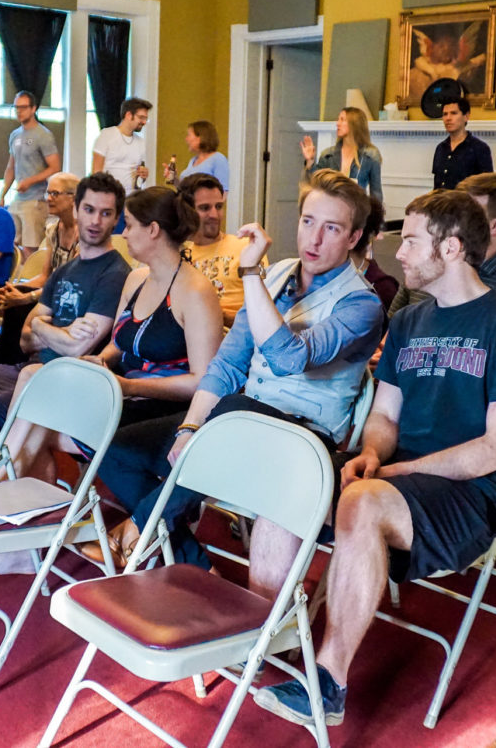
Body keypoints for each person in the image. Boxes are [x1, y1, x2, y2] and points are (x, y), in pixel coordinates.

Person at [253, 189, 496, 727]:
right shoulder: (411, 320)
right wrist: (370, 453)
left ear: (453, 248)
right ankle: (263, 645)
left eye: (412, 241)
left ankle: (329, 684)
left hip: (468, 498)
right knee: (292, 480)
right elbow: (385, 416)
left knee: (363, 501)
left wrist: (395, 472)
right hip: (395, 481)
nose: (400, 254)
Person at [86, 169, 385, 571]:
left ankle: (137, 531)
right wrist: (189, 428)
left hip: (302, 438)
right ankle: (192, 562)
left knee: (233, 407)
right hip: (232, 424)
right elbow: (227, 364)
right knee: (115, 446)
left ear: (353, 238)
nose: (314, 239)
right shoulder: (278, 273)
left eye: (332, 228)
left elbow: (288, 359)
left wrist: (250, 274)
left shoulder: (362, 305)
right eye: (308, 222)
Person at [0, 185, 223, 488]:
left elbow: (202, 381)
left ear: (153, 230)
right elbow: (118, 341)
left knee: (39, 420)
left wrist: (129, 385)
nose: (124, 234)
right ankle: (9, 494)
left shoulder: (195, 291)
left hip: (162, 407)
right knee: (34, 375)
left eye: (128, 225)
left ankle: (2, 490)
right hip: (123, 391)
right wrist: (98, 360)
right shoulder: (137, 279)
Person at [0, 173, 131, 460]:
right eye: (89, 210)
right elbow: (25, 340)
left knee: (29, 392)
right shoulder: (64, 272)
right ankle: (22, 495)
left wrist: (42, 327)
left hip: (77, 385)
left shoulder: (115, 274)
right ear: (77, 209)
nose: (95, 221)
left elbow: (78, 348)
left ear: (116, 219)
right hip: (40, 371)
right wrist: (46, 328)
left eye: (106, 214)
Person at [390, 172, 496, 329]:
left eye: (470, 214)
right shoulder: (429, 266)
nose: (452, 220)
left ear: (495, 226)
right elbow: (390, 332)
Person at [179, 172, 265, 327]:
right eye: (205, 208)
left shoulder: (247, 248)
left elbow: (265, 314)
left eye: (219, 207)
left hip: (237, 339)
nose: (214, 215)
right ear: (187, 211)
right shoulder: (179, 256)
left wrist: (214, 313)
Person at [0, 172, 83, 314]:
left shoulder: (84, 235)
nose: (48, 199)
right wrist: (14, 288)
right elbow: (44, 277)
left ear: (74, 198)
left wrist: (28, 296)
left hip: (71, 298)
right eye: (48, 193)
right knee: (12, 299)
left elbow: (69, 285)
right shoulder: (53, 230)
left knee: (20, 305)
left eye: (55, 193)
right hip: (52, 293)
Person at [0, 90, 61, 257]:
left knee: (30, 247)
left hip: (36, 199)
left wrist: (30, 181)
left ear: (33, 109)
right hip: (18, 199)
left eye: (23, 107)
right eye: (17, 107)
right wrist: (3, 193)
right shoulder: (15, 135)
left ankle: (29, 281)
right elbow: (11, 166)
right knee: (11, 243)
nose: (19, 111)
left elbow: (55, 167)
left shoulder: (43, 135)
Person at [300, 107, 383, 200]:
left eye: (342, 120)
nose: (337, 123)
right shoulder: (328, 155)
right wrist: (310, 160)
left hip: (357, 209)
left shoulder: (370, 155)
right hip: (331, 208)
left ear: (354, 124)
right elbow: (315, 183)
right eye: (338, 119)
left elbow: (376, 193)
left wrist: (375, 213)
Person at [91, 97, 152, 197]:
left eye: (146, 118)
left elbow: (138, 175)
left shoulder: (141, 142)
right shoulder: (106, 135)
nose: (144, 122)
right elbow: (96, 171)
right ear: (128, 115)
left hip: (131, 197)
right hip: (108, 195)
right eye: (141, 118)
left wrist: (143, 175)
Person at [432, 97, 493, 190]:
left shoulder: (479, 148)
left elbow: (487, 187)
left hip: (466, 203)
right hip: (441, 203)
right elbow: (437, 185)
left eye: (453, 113)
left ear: (466, 116)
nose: (448, 118)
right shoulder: (440, 148)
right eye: (445, 114)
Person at [170, 120, 229, 191]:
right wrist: (174, 178)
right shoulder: (193, 161)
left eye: (189, 135)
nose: (186, 139)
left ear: (200, 137)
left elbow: (223, 192)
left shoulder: (218, 159)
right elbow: (184, 191)